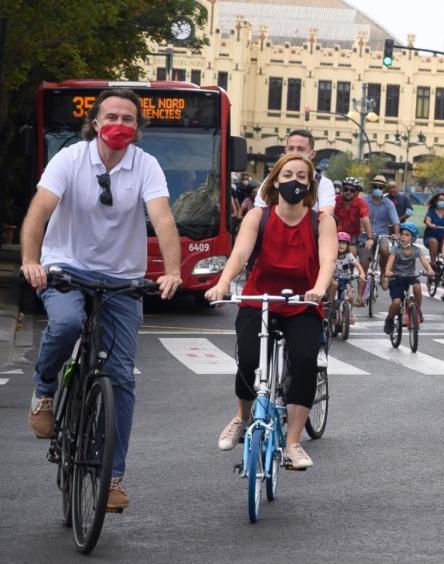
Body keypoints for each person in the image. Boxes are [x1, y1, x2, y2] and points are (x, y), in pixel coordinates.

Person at [22, 88, 183, 510]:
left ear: (138, 129)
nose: (119, 124)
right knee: (67, 324)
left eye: (128, 119)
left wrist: (172, 270)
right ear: (95, 123)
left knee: (122, 379)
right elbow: (39, 210)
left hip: (122, 279)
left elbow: (163, 218)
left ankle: (111, 477)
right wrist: (30, 260)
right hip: (65, 267)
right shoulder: (70, 159)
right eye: (111, 116)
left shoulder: (145, 165)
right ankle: (43, 391)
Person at [206, 153, 338, 470]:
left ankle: (293, 442)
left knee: (306, 361)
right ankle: (241, 417)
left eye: (302, 177)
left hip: (302, 302)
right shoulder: (258, 216)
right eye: (288, 175)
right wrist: (223, 282)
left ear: (310, 185)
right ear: (276, 180)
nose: (295, 181)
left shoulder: (320, 220)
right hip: (260, 299)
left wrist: (318, 289)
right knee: (249, 359)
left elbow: (328, 261)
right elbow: (239, 254)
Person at [255, 129, 335, 214]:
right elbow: (259, 212)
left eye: (300, 149)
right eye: (291, 148)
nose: (294, 153)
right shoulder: (271, 179)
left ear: (312, 154)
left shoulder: (323, 184)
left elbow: (326, 216)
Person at [383, 223, 435, 335]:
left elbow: (425, 263)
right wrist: (388, 273)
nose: (403, 237)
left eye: (407, 235)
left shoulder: (417, 250)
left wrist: (430, 270)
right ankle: (389, 319)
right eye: (402, 234)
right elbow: (388, 266)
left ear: (413, 238)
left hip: (410, 277)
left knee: (417, 287)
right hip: (396, 278)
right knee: (396, 302)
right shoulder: (395, 250)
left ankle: (417, 310)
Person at [333, 177, 373, 304]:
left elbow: (365, 220)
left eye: (352, 190)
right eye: (346, 189)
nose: (348, 192)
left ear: (356, 192)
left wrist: (370, 238)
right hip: (334, 236)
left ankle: (353, 288)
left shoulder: (360, 203)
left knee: (352, 255)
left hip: (352, 238)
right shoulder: (335, 200)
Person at [364, 175, 401, 294]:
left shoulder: (389, 203)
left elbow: (395, 221)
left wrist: (396, 234)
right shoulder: (364, 201)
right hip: (365, 235)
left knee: (386, 250)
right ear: (372, 186)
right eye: (375, 186)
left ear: (384, 189)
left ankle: (383, 274)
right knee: (364, 257)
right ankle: (363, 279)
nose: (377, 188)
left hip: (382, 235)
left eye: (380, 187)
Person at [329, 232, 365, 324]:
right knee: (334, 284)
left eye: (344, 243)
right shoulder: (331, 255)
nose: (341, 245)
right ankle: (331, 305)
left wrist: (362, 273)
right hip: (335, 278)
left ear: (347, 246)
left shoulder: (349, 255)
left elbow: (357, 265)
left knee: (350, 296)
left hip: (346, 279)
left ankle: (349, 313)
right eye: (339, 242)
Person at [423, 192, 444, 262]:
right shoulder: (431, 211)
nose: (442, 202)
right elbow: (427, 221)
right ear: (436, 201)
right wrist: (430, 224)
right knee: (433, 242)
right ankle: (433, 263)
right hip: (430, 236)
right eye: (440, 200)